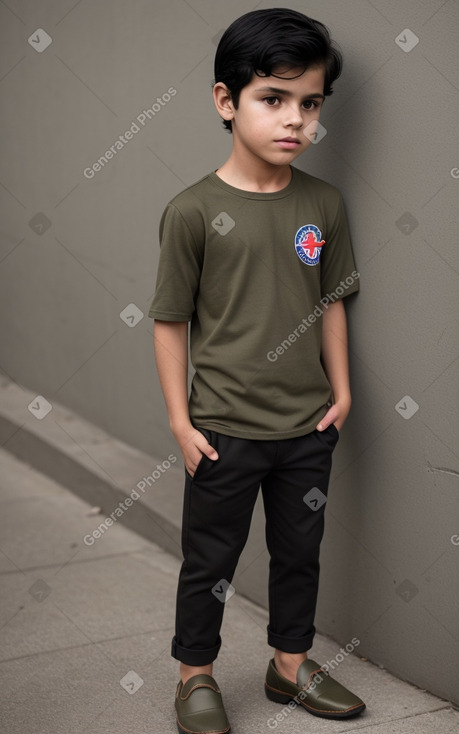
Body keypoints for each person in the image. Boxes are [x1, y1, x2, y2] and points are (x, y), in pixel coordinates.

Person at [149, 7, 366, 733]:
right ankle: (195, 677)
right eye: (272, 99)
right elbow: (170, 321)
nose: (293, 120)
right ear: (226, 101)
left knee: (298, 554)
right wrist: (181, 421)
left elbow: (330, 302)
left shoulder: (322, 204)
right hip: (222, 431)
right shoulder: (191, 211)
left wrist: (341, 394)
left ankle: (287, 665)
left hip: (306, 427)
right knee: (209, 562)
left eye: (309, 104)